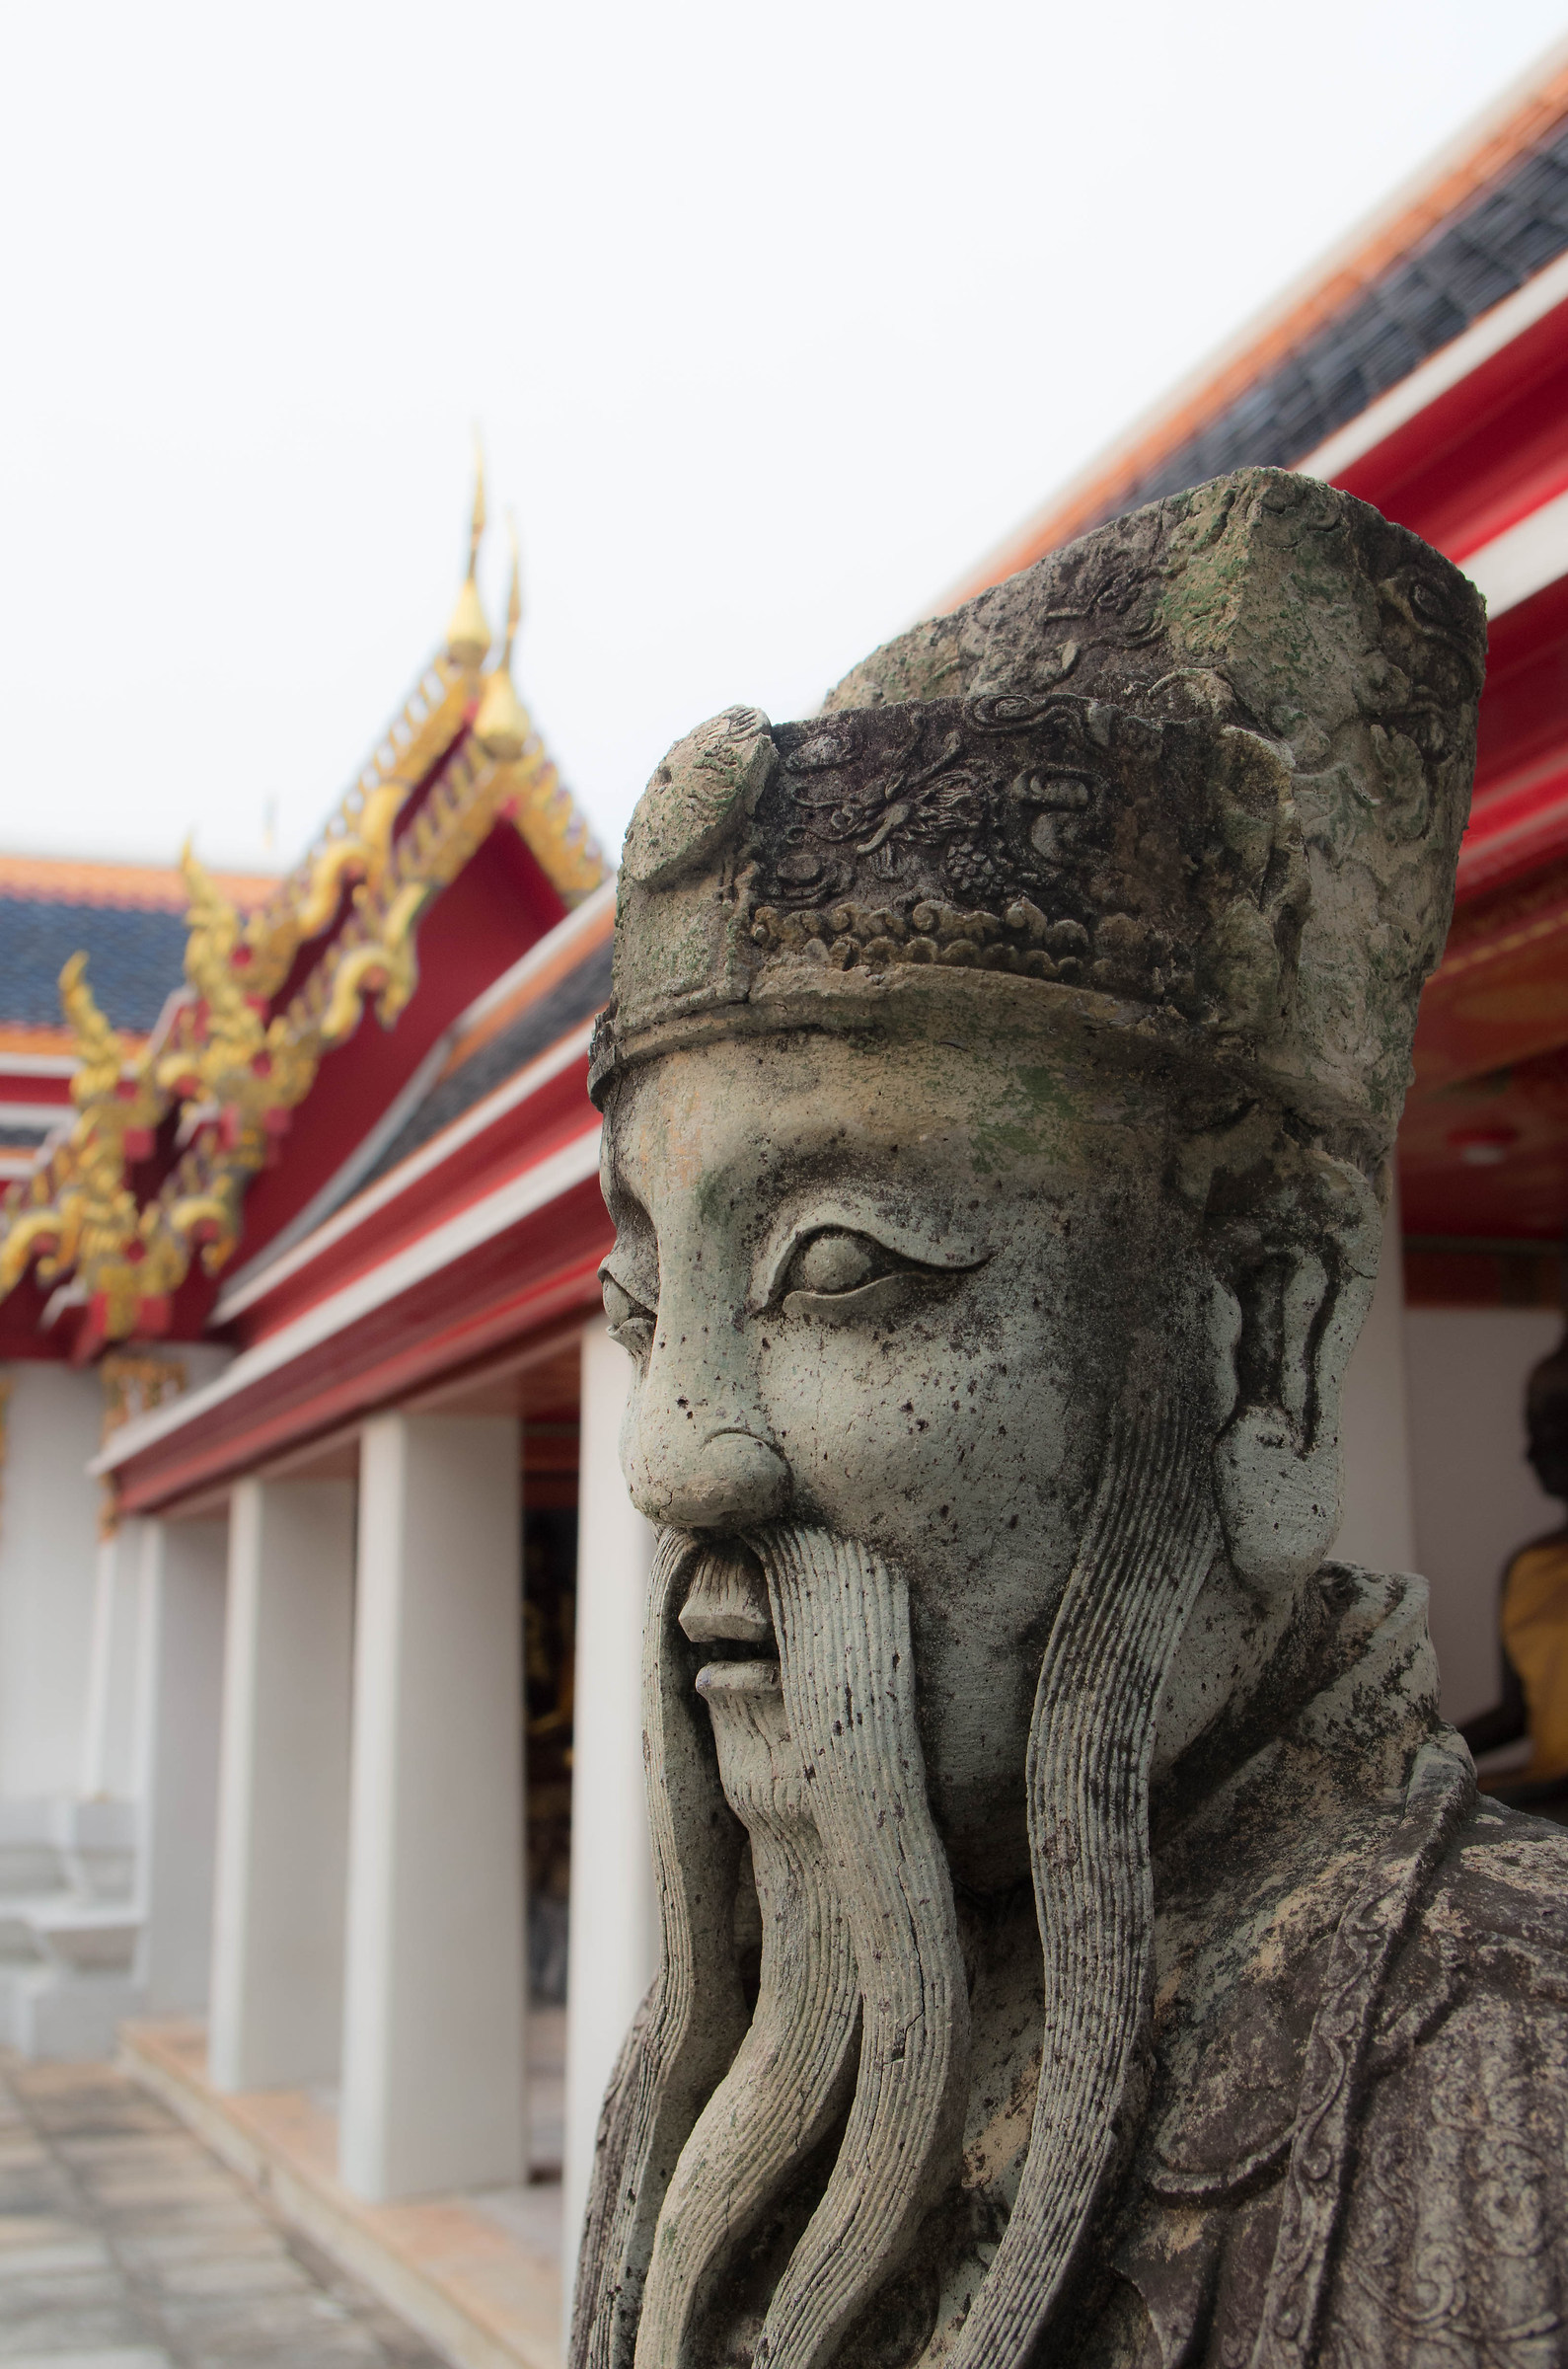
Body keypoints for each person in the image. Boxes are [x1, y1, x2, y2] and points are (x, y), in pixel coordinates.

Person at [571, 468, 1568, 2369]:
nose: (674, 1449)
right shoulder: (719, 2090)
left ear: (1262, 1344)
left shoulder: (1498, 2078)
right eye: (643, 1306)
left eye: (840, 1267)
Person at [1462, 1324, 1568, 1816]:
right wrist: (1414, 1754)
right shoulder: (1530, 1568)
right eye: (1533, 1429)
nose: (1531, 1453)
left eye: (1552, 1428)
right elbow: (1516, 1715)